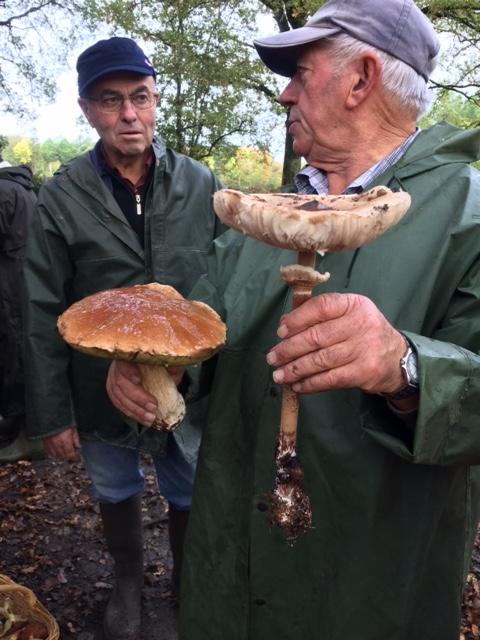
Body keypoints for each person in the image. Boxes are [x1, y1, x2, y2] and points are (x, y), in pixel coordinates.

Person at [106, 2, 480, 639]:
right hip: (232, 551)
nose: (283, 94)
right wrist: (154, 362)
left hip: (368, 584)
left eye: (300, 73)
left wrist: (405, 366)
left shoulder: (467, 213)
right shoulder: (273, 207)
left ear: (361, 79)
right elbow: (206, 326)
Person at [22, 37, 224, 640]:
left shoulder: (198, 182)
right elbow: (39, 306)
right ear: (87, 110)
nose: (128, 114)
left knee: (189, 482)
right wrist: (52, 414)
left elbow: (218, 287)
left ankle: (189, 579)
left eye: (140, 97)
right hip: (97, 384)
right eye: (111, 101)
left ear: (155, 101)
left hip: (184, 380)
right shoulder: (61, 197)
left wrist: (196, 368)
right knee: (115, 482)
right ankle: (129, 580)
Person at [0, 157, 43, 462]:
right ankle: (16, 423)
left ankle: (29, 435)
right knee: (18, 349)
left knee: (13, 352)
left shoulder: (2, 190)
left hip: (8, 286)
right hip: (23, 280)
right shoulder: (23, 188)